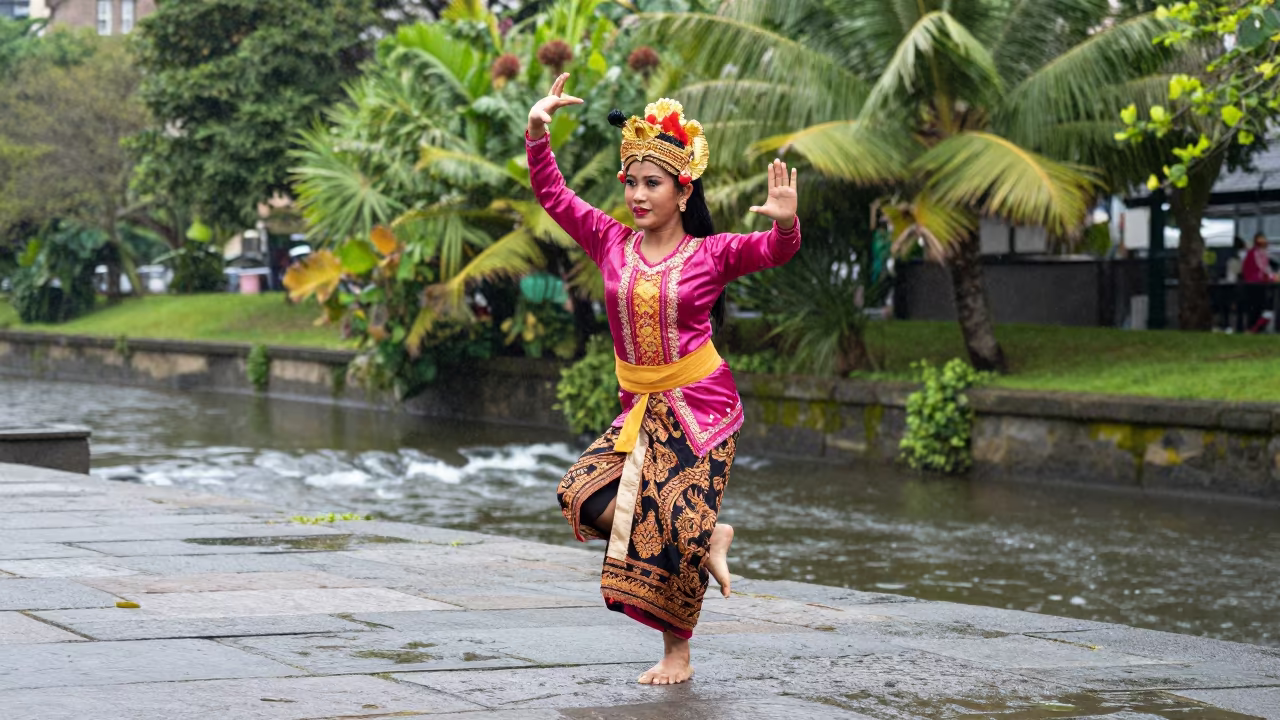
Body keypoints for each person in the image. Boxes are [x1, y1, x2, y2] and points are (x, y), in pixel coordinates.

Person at [526, 74, 801, 685]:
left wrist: (784, 224)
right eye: (632, 183)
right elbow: (554, 195)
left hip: (701, 409)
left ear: (683, 190)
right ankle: (709, 539)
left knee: (672, 517)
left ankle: (677, 651)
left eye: (653, 184)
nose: (638, 195)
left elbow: (774, 251)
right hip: (639, 408)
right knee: (580, 494)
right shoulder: (611, 243)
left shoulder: (711, 254)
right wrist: (537, 134)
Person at [1241, 232, 1277, 333]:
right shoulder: (1255, 253)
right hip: (1254, 283)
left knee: (1260, 307)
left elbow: (1265, 268)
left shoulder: (1262, 253)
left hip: (1259, 283)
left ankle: (1256, 328)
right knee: (1256, 307)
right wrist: (1272, 277)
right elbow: (1261, 268)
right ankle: (1252, 328)